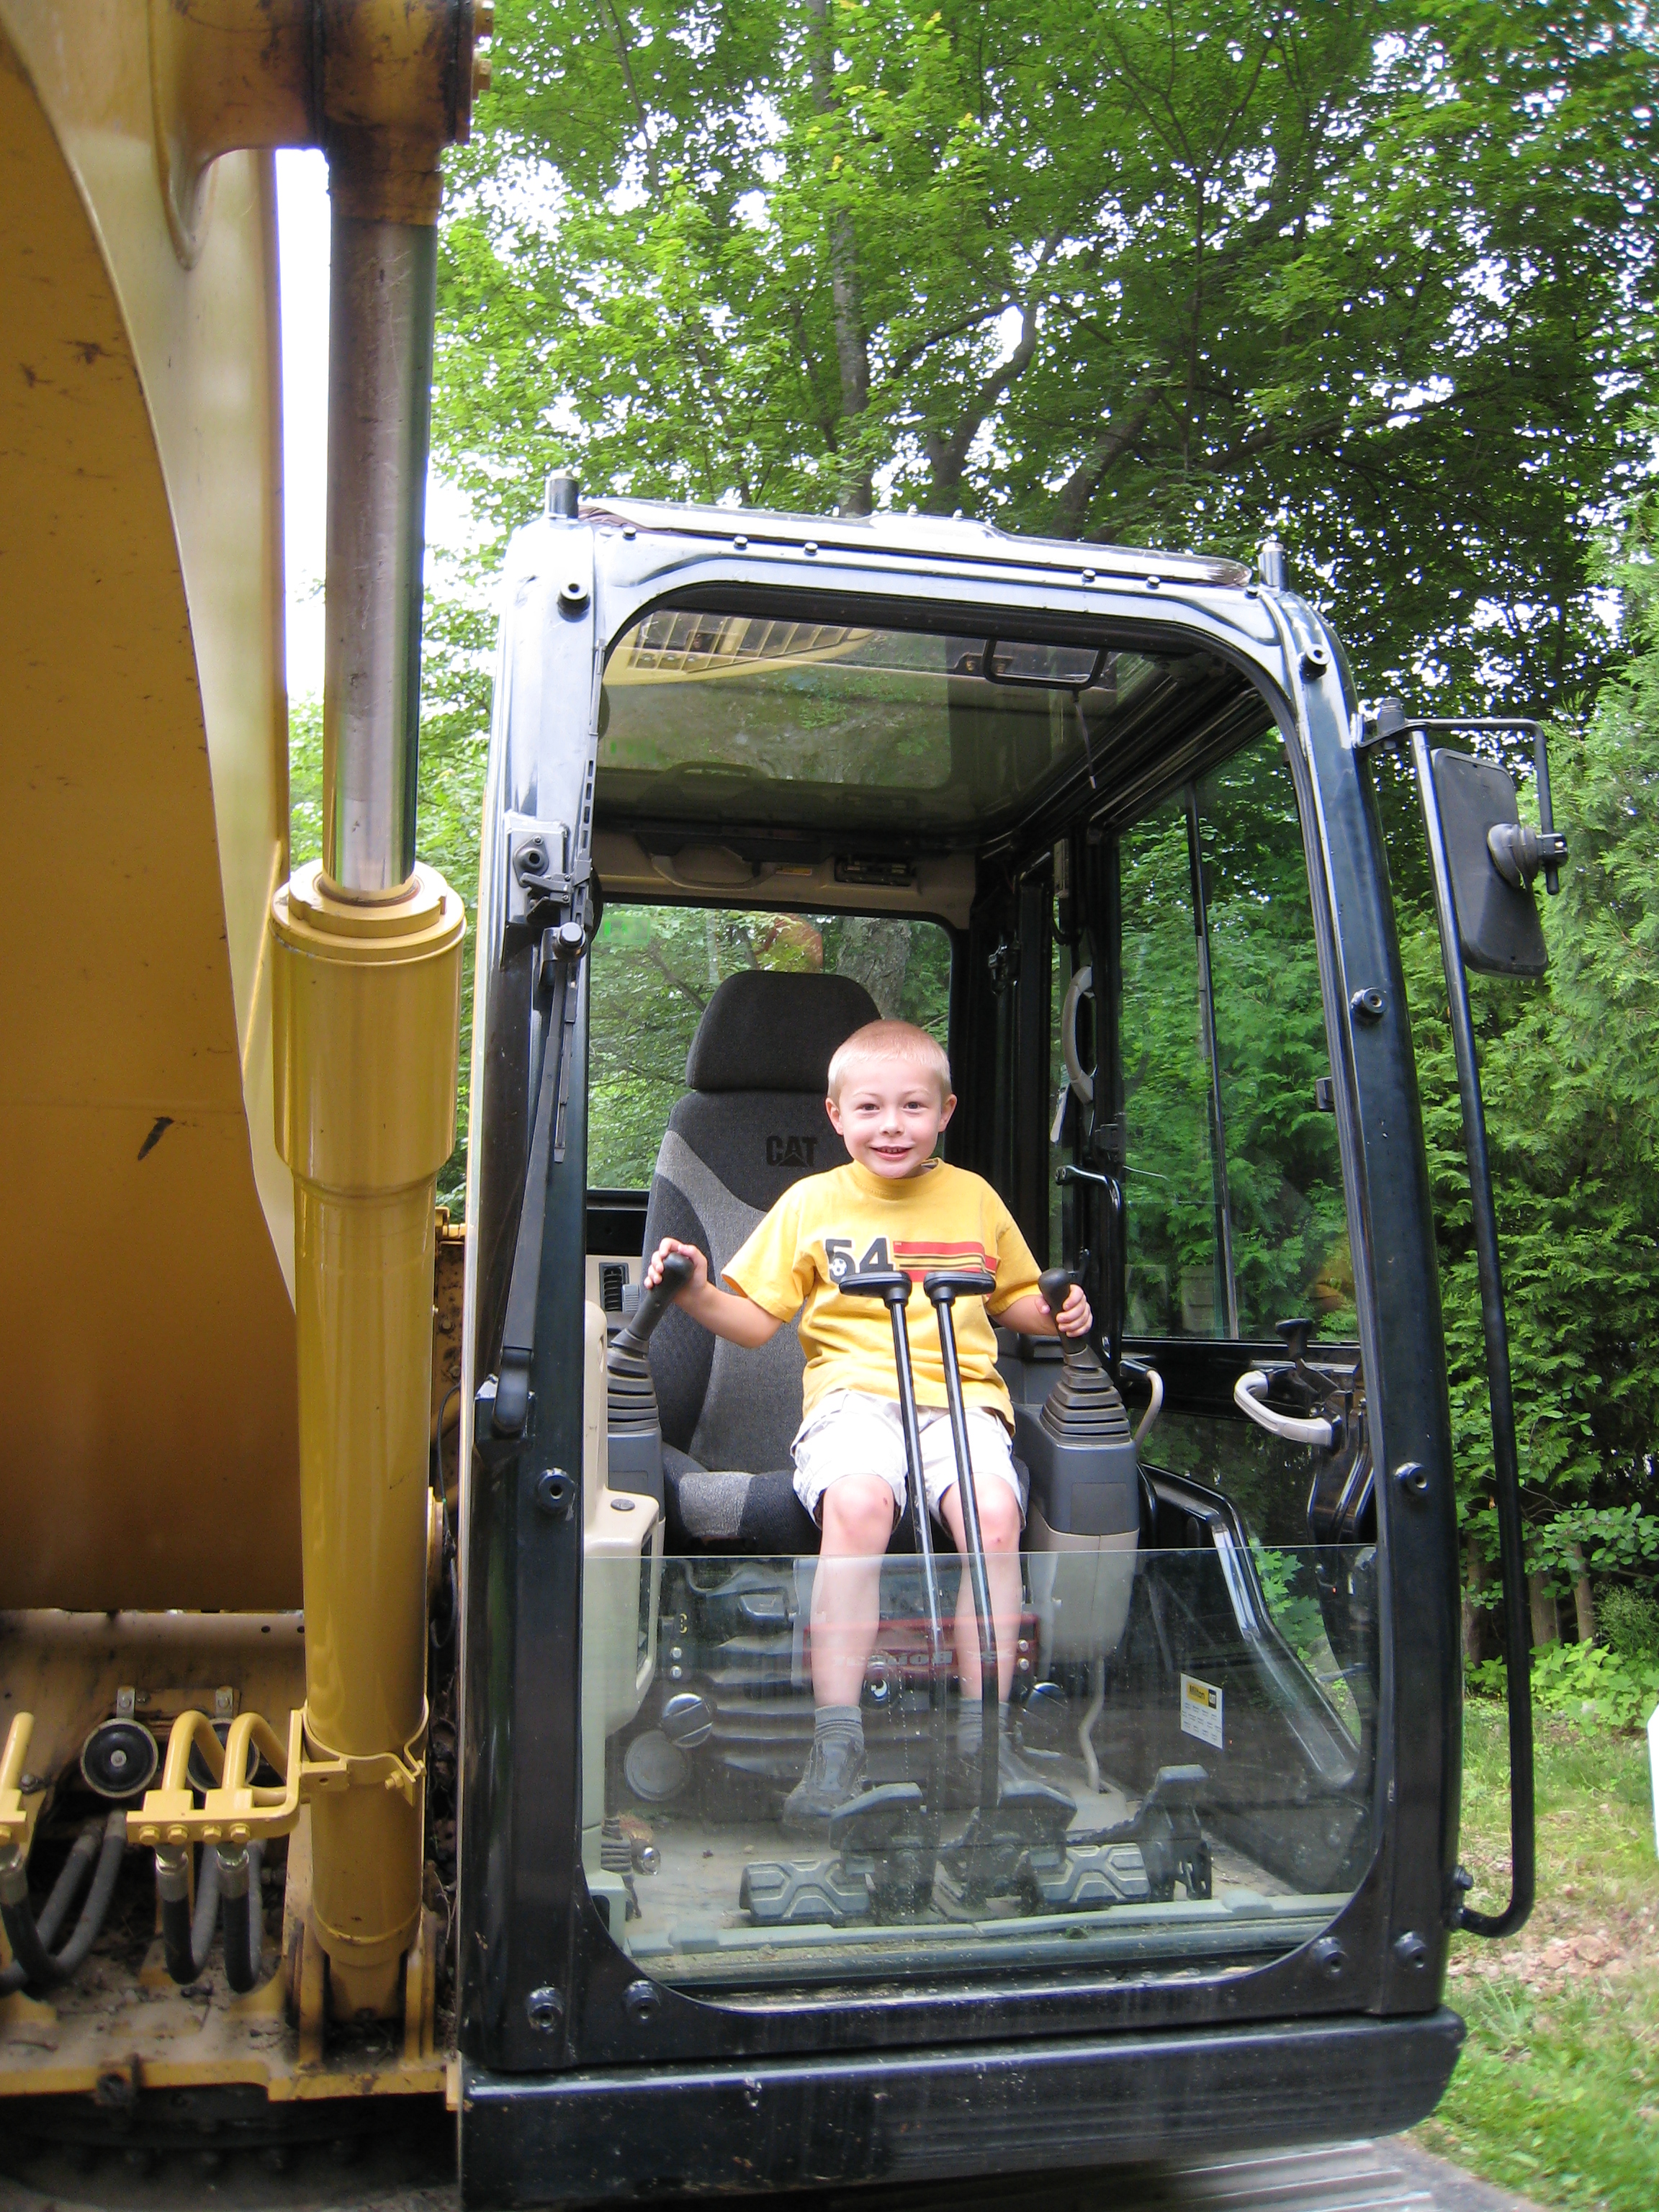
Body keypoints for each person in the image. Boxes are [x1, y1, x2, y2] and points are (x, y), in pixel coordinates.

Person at [642, 1017, 1092, 1835]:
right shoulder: (811, 1202)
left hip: (963, 1401)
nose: (892, 1126)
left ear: (945, 1112)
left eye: (913, 1107)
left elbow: (1019, 1300)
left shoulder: (975, 1198)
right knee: (858, 1504)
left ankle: (985, 1738)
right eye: (871, 1108)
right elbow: (752, 1323)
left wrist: (1059, 1310)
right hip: (853, 1401)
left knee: (994, 1516)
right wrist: (697, 1291)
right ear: (836, 1115)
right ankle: (836, 1739)